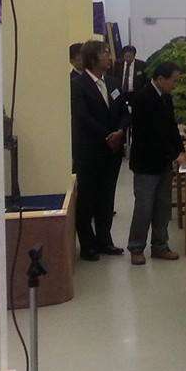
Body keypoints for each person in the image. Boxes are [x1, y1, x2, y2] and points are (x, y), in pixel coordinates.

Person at [127, 62, 186, 266]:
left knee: (163, 207)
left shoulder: (166, 97)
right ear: (161, 79)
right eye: (174, 81)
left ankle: (160, 246)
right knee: (144, 207)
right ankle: (136, 247)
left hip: (163, 162)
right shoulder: (142, 98)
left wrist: (181, 150)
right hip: (146, 163)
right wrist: (174, 154)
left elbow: (171, 128)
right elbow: (152, 133)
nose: (175, 85)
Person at [71, 41, 128, 260]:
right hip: (90, 152)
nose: (109, 57)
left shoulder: (112, 82)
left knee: (106, 197)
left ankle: (105, 241)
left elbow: (124, 111)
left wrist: (120, 131)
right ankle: (88, 245)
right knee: (87, 199)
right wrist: (107, 136)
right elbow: (82, 117)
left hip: (112, 152)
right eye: (105, 53)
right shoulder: (78, 85)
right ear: (93, 58)